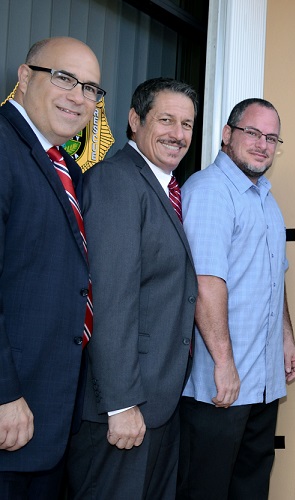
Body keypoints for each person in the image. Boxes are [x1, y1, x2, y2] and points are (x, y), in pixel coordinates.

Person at [66, 77, 199, 499]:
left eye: (188, 124)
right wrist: (121, 404)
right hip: (124, 408)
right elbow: (111, 299)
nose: (178, 134)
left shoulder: (163, 188)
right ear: (134, 120)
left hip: (159, 401)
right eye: (166, 120)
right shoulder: (117, 180)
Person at [177, 98, 295, 500]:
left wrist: (285, 338)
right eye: (253, 133)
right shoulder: (210, 191)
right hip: (220, 387)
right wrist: (225, 364)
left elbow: (273, 277)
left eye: (272, 138)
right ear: (227, 134)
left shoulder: (264, 198)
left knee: (250, 486)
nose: (263, 144)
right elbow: (205, 284)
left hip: (262, 382)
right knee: (207, 490)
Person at [0, 37, 100, 498]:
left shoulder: (66, 168)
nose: (78, 97)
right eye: (64, 78)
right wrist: (3, 394)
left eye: (91, 88)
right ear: (24, 77)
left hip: (49, 415)